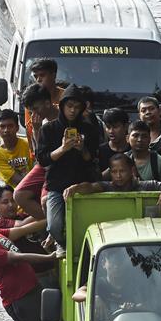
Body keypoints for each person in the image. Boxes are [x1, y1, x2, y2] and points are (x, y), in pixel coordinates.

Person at [35, 84, 100, 248]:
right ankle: (60, 244)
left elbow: (92, 157)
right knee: (55, 227)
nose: (72, 111)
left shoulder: (89, 129)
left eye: (77, 107)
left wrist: (81, 148)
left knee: (85, 225)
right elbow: (42, 159)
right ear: (62, 106)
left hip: (82, 184)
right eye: (69, 106)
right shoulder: (48, 129)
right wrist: (63, 149)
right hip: (57, 185)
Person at [63, 153, 161, 213]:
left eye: (122, 171)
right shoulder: (107, 186)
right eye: (114, 172)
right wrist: (75, 188)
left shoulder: (145, 185)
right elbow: (90, 187)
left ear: (131, 170)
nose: (118, 176)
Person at [0, 185, 57, 288]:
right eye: (5, 202)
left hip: (51, 271)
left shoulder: (23, 216)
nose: (11, 205)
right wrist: (51, 218)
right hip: (34, 279)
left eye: (13, 200)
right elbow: (22, 225)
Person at [0, 109, 32, 189]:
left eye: (10, 126)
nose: (6, 130)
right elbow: (16, 180)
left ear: (17, 128)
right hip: (14, 191)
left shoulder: (28, 144)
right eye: (2, 126)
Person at [21, 83, 59, 153]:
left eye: (35, 109)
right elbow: (40, 154)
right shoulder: (34, 125)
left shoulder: (67, 113)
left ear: (47, 103)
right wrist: (36, 130)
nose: (33, 115)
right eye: (30, 112)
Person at [97, 108, 131, 178]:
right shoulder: (100, 151)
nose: (111, 131)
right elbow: (97, 179)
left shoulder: (133, 150)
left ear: (126, 126)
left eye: (115, 127)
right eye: (108, 127)